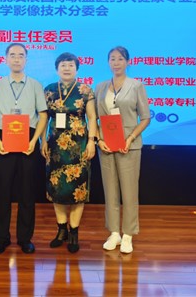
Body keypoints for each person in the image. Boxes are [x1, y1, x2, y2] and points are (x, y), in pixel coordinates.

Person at [0, 43, 48, 254]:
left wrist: (34, 141)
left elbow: (43, 115)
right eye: (12, 55)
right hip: (4, 140)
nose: (16, 59)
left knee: (27, 193)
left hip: (28, 141)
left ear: (26, 60)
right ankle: (1, 238)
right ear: (6, 59)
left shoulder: (36, 85)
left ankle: (25, 238)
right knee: (2, 193)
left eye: (21, 55)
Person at [95, 46, 151, 254]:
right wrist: (99, 139)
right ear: (108, 62)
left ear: (128, 62)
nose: (116, 62)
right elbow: (95, 118)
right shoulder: (100, 87)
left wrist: (131, 138)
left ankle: (128, 234)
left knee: (129, 192)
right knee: (110, 191)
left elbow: (145, 117)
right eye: (112, 59)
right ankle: (114, 233)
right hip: (106, 145)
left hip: (129, 145)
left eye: (120, 59)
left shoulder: (136, 86)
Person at [41, 52, 97, 253]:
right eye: (63, 65)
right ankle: (61, 230)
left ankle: (74, 232)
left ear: (77, 68)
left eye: (71, 65)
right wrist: (42, 141)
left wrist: (91, 142)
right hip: (55, 146)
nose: (67, 68)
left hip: (79, 146)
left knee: (78, 189)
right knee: (57, 188)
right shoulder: (48, 90)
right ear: (57, 68)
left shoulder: (85, 90)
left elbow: (92, 118)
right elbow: (44, 118)